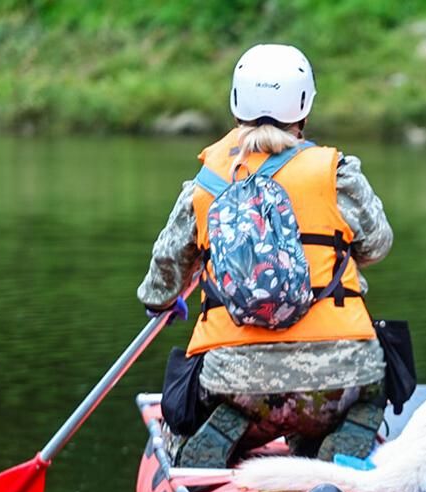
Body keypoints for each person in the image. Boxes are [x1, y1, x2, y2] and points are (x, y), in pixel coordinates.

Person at [137, 43, 394, 468]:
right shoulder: (339, 174)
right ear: (304, 110)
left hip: (238, 386)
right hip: (342, 380)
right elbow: (377, 245)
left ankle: (221, 436)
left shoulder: (204, 184)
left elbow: (162, 277)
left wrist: (165, 300)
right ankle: (340, 441)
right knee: (370, 380)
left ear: (236, 105)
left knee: (202, 414)